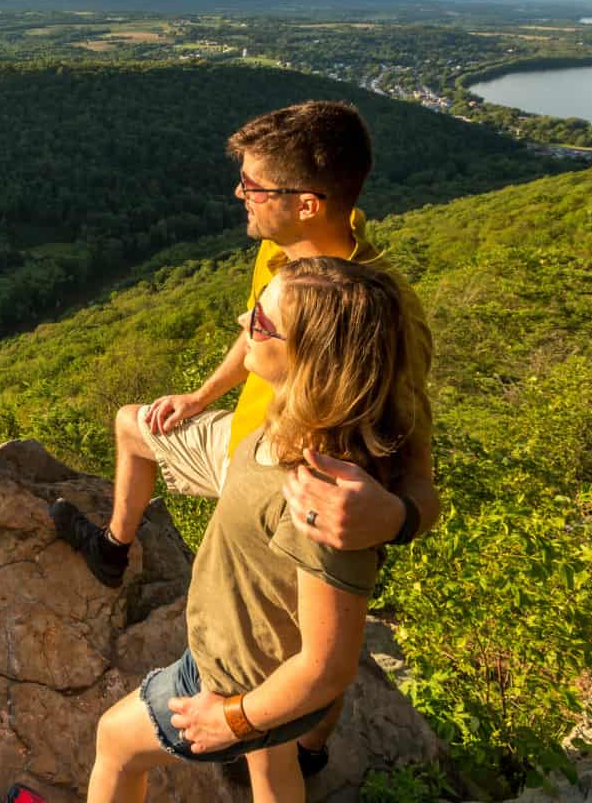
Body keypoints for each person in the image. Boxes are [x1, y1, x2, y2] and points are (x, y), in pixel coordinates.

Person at [51, 100, 437, 776]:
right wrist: (199, 397)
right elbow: (252, 328)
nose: (240, 195)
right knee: (133, 425)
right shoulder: (286, 249)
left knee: (295, 650)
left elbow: (416, 466)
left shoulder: (377, 311)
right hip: (248, 447)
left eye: (255, 187)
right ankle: (116, 551)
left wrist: (396, 517)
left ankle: (293, 747)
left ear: (310, 202)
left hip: (297, 481)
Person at [82, 256, 423, 803]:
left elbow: (327, 667)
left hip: (232, 683)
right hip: (265, 672)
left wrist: (233, 720)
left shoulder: (316, 492)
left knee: (115, 744)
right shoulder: (303, 422)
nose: (243, 323)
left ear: (309, 359)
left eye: (261, 323)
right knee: (272, 757)